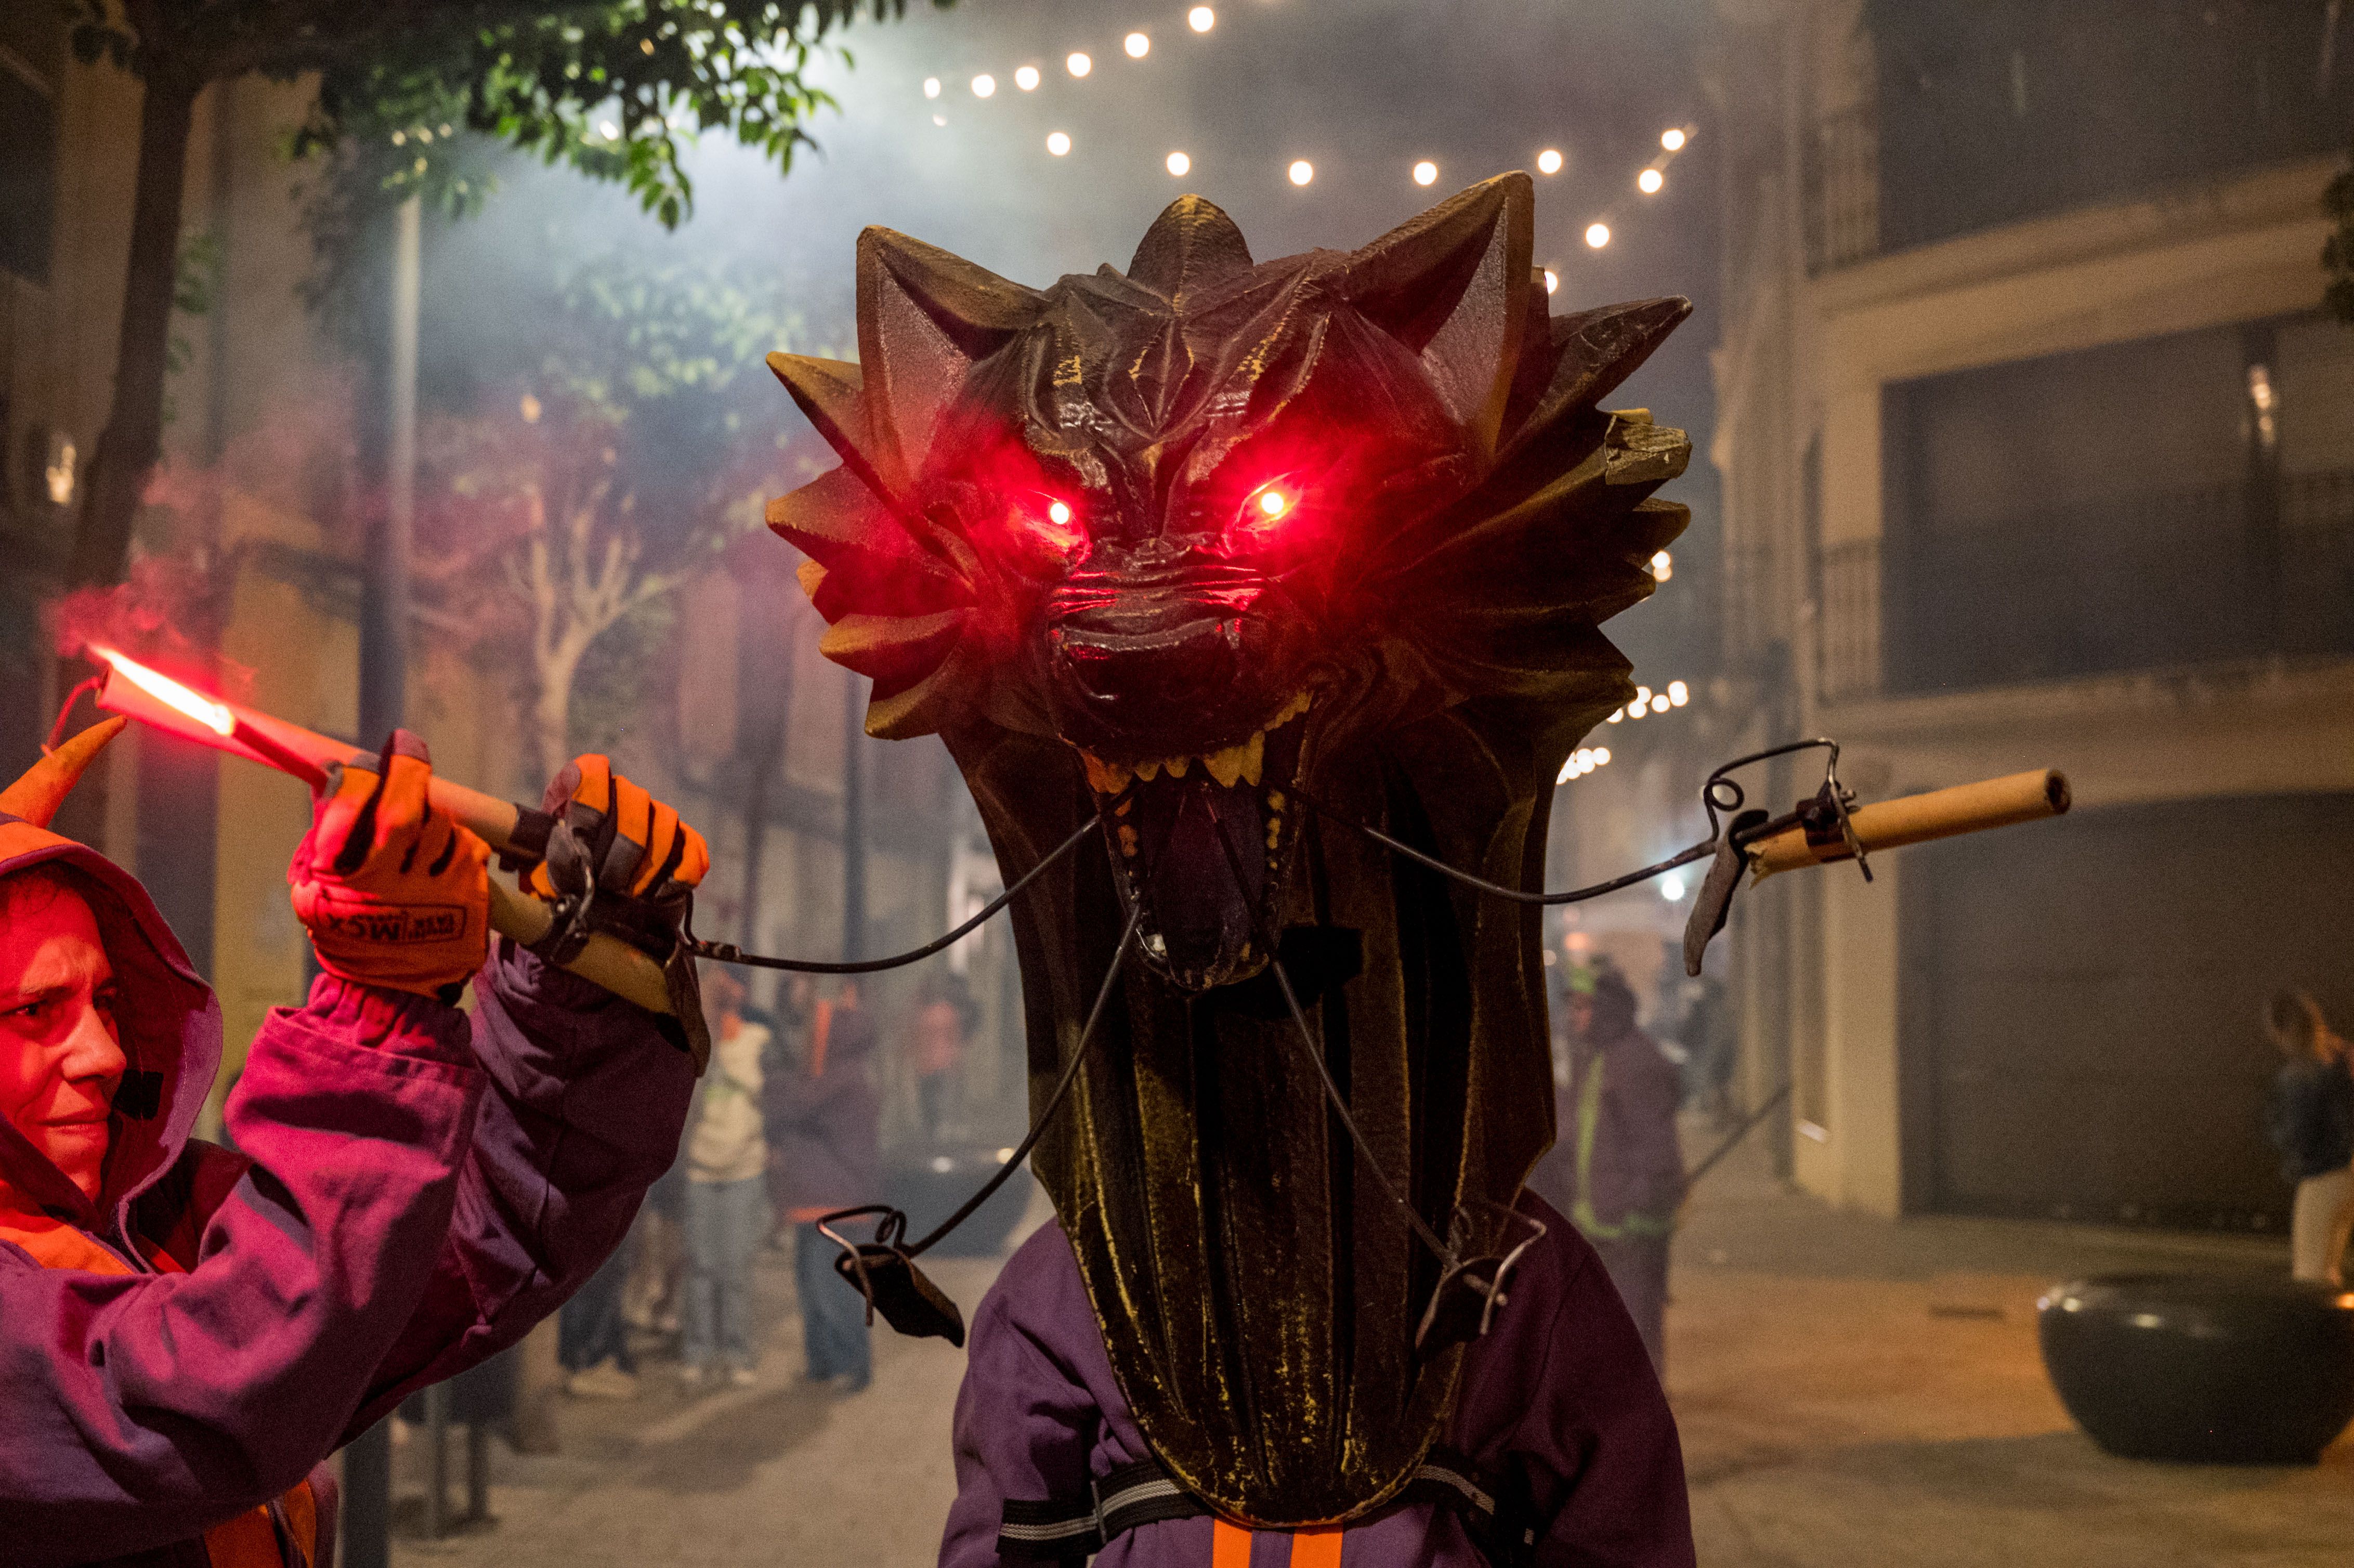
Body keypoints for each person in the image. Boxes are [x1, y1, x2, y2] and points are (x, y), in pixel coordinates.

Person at [0, 722, 705, 1567]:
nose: (107, 1055)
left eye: (108, 1002)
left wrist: (586, 975)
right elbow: (209, 1393)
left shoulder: (152, 1222)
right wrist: (376, 1018)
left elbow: (476, 1241)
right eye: (35, 1012)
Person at [1527, 963, 1688, 1370]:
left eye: (1585, 1007)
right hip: (1599, 1220)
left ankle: (1646, 1416)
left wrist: (1636, 1210)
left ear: (1608, 1010)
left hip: (1628, 1227)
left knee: (1636, 1325)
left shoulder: (1636, 1065)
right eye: (1573, 1007)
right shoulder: (1597, 1059)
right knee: (1607, 1325)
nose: (1575, 1016)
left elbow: (1658, 1152)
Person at [771, 978, 881, 1391]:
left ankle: (853, 1366)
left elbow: (791, 1106)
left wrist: (775, 1086)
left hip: (835, 1198)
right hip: (816, 1195)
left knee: (831, 1287)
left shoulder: (842, 1081)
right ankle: (823, 1362)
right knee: (811, 1286)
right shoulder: (838, 1076)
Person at [680, 965, 771, 1388]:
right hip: (701, 1168)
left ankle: (738, 1353)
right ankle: (698, 1353)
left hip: (744, 1168)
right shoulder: (696, 1041)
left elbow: (765, 1092)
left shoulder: (758, 1040)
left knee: (735, 1268)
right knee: (701, 1268)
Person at [2262, 989, 2354, 1286]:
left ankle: (2323, 1333)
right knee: (2329, 1272)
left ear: (2285, 1031)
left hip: (2321, 1179)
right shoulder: (2342, 1055)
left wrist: (2276, 1133)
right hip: (2348, 1177)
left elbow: (2298, 1137)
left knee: (2310, 1278)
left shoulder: (2301, 1075)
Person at [908, 972, 974, 1140]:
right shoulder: (940, 1011)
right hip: (934, 1063)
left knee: (935, 1099)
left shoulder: (938, 1011)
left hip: (936, 1063)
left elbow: (953, 1037)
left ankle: (936, 1132)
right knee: (933, 1099)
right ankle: (934, 1132)